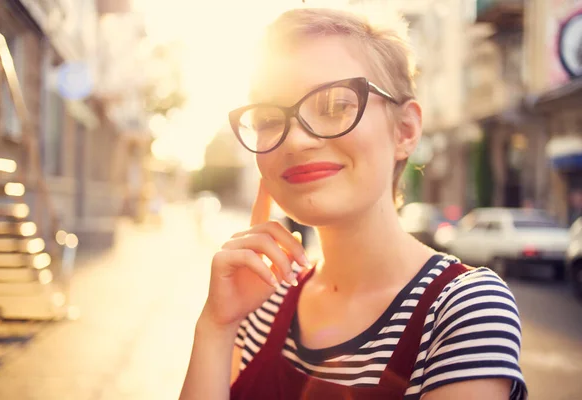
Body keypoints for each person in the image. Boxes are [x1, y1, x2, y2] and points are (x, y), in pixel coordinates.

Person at [180, 7, 527, 400]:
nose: (295, 140)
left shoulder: (463, 309)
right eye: (268, 119)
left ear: (405, 130)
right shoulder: (261, 298)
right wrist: (216, 325)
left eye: (334, 106)